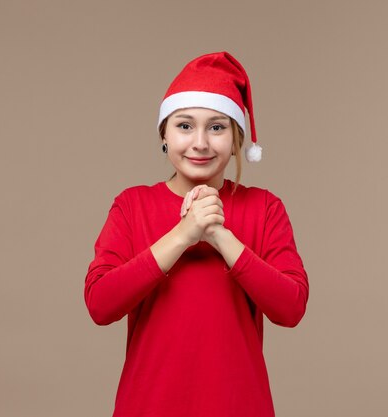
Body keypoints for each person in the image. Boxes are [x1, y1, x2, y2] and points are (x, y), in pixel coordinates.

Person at [84, 51, 309, 417]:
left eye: (217, 127)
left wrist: (220, 236)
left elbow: (291, 307)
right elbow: (100, 304)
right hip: (148, 406)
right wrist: (184, 234)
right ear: (164, 134)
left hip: (240, 406)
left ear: (237, 139)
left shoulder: (265, 209)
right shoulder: (132, 206)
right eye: (185, 126)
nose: (200, 143)